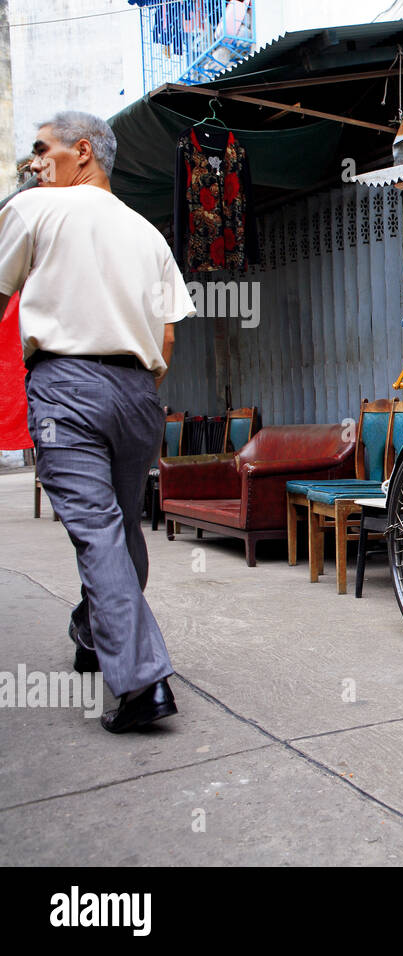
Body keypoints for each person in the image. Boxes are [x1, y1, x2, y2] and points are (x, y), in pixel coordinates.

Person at [0, 111, 196, 733]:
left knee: (98, 530)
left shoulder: (35, 210)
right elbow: (167, 334)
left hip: (66, 391)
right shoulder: (148, 233)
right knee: (120, 528)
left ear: (81, 151)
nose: (34, 163)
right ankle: (93, 631)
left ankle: (141, 685)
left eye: (42, 149)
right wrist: (135, 383)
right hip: (140, 394)